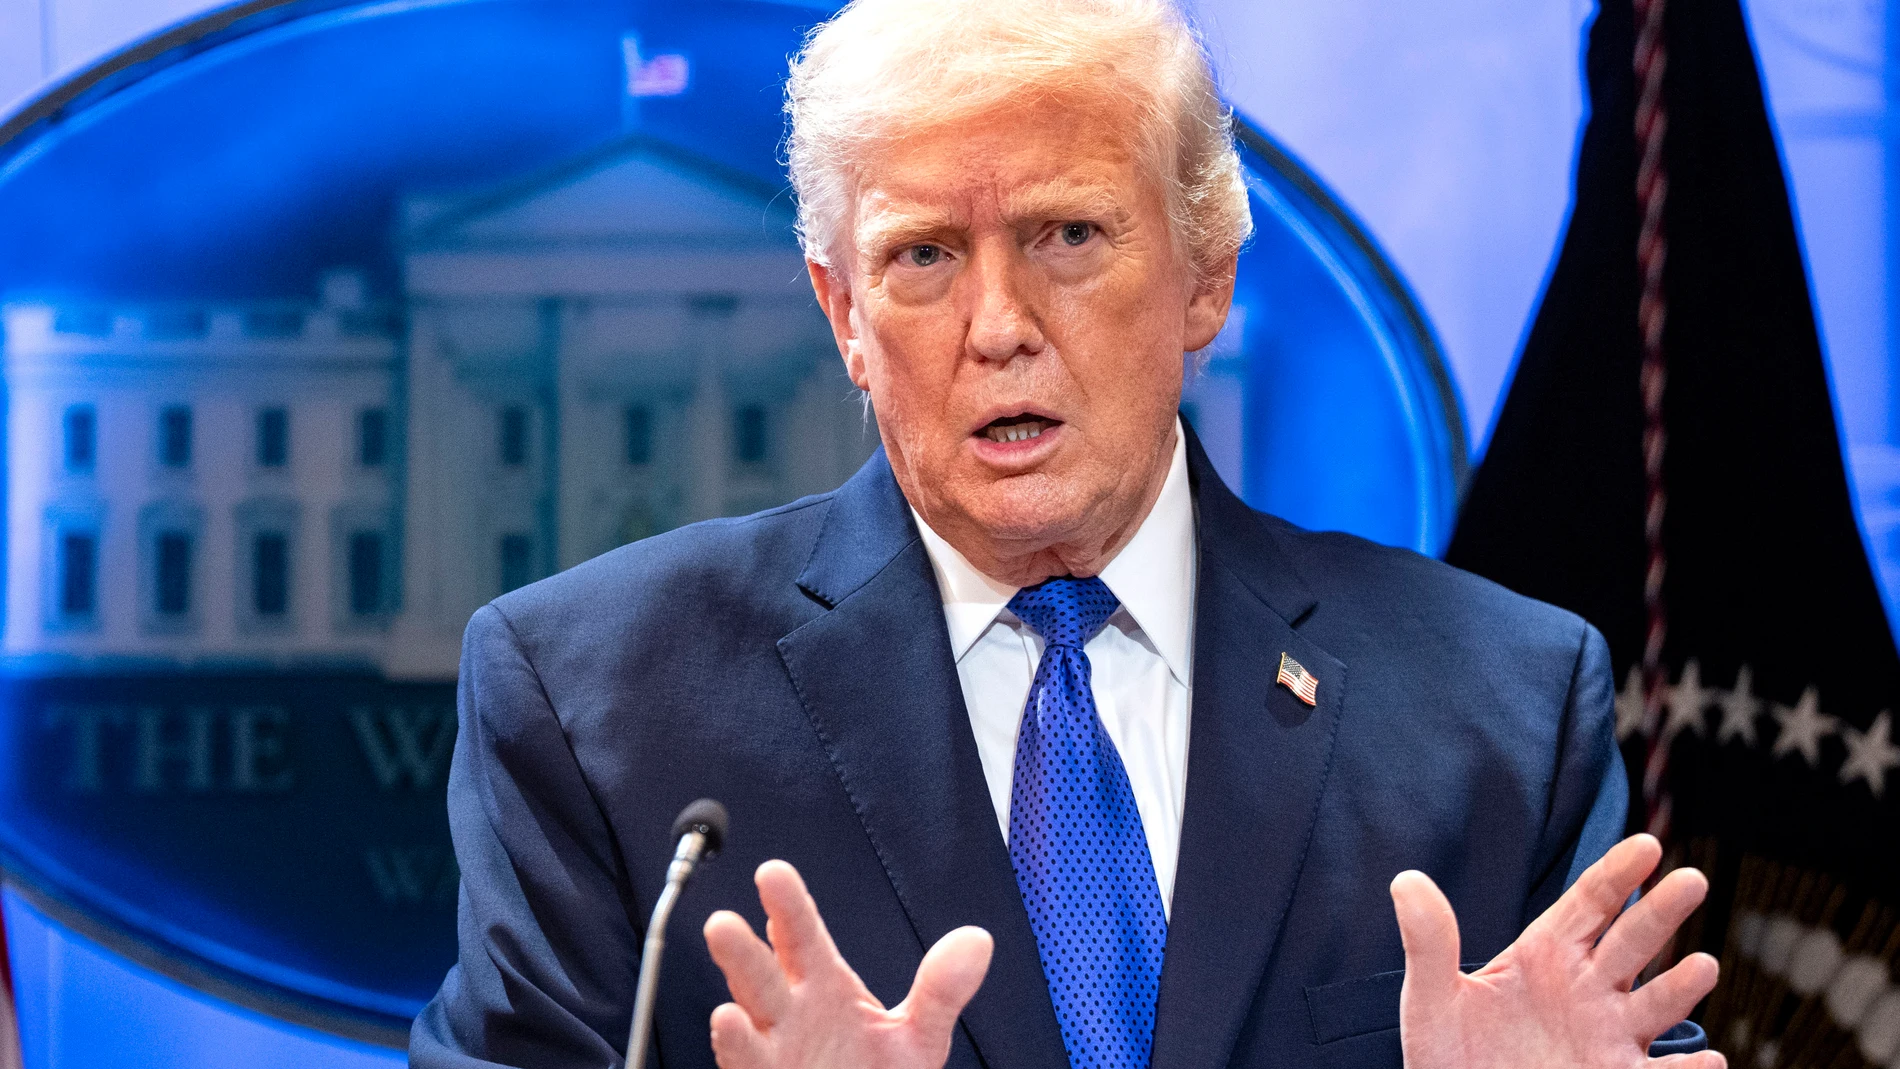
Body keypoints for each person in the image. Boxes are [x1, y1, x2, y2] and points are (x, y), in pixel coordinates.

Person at [409, 1, 1726, 1067]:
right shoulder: (593, 700)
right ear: (844, 316)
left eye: (1068, 235)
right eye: (923, 255)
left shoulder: (1501, 701)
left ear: (1205, 271)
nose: (997, 324)